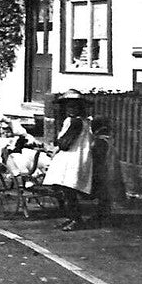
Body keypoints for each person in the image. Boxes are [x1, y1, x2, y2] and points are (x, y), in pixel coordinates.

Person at [44, 89, 93, 230]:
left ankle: (76, 219)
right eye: (68, 106)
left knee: (68, 189)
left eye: (74, 106)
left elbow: (65, 143)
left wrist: (55, 148)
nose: (71, 109)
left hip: (72, 158)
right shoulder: (81, 121)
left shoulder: (76, 122)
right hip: (73, 157)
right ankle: (71, 217)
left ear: (80, 108)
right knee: (66, 189)